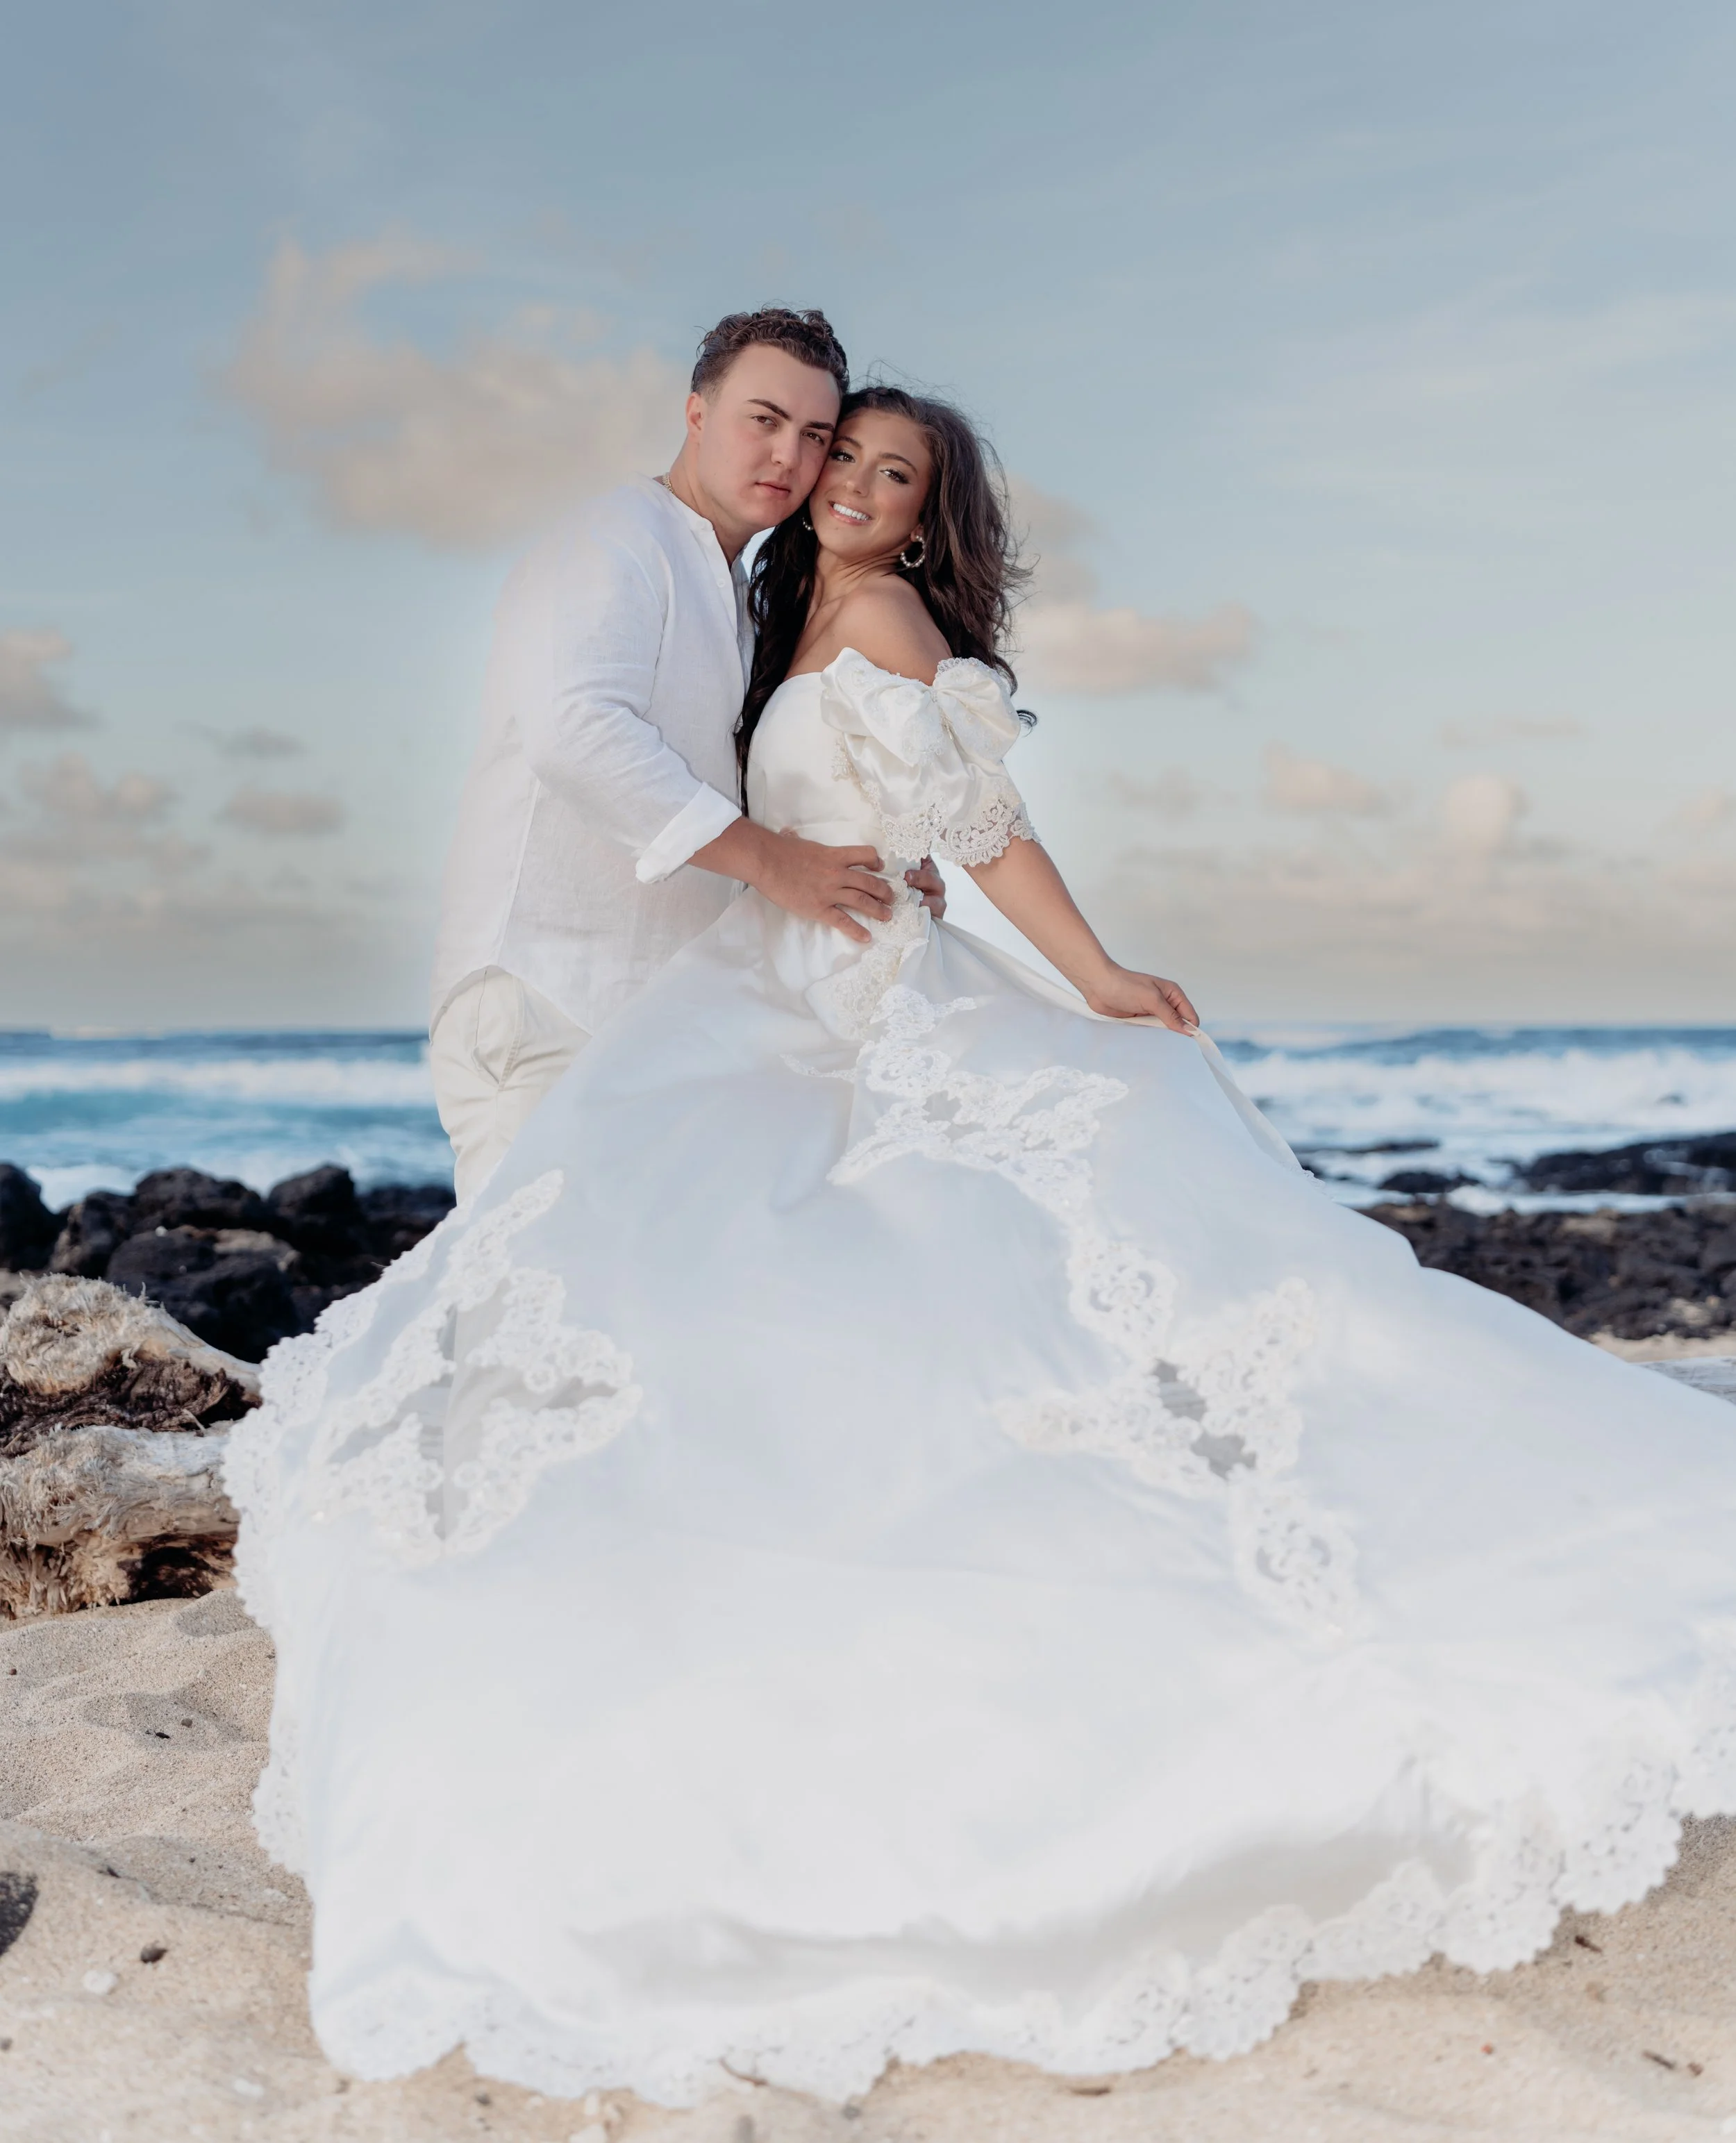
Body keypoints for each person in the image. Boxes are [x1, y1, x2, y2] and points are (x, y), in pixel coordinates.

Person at [228, 382, 1736, 2110]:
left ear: (924, 514)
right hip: (760, 992)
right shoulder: (765, 606)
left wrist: (1092, 976)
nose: (853, 489)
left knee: (942, 1300)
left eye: (887, 472)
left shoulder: (870, 612)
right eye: (838, 459)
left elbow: (977, 827)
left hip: (853, 995)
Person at [428, 306, 946, 1201]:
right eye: (764, 420)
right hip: (548, 992)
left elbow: (761, 793)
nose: (788, 457)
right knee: (514, 1297)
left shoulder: (739, 597)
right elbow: (577, 731)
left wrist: (888, 868)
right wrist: (778, 865)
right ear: (697, 413)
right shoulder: (616, 539)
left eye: (815, 435)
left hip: (647, 1013)